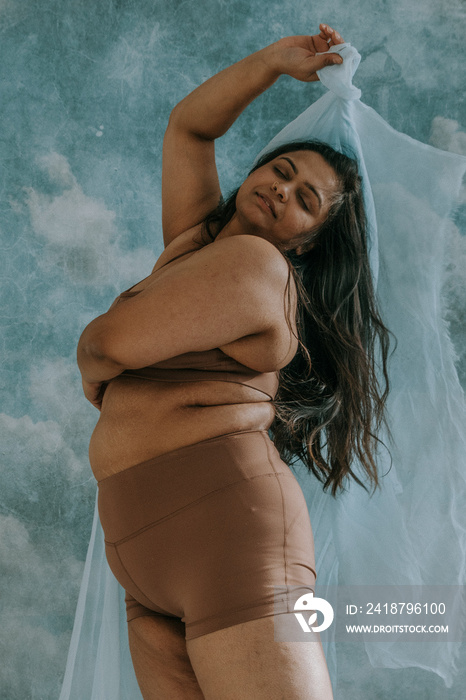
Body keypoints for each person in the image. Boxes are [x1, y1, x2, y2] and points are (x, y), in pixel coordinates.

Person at [74, 23, 446, 700]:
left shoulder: (257, 266)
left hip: (225, 537)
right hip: (147, 555)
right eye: (281, 170)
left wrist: (94, 366)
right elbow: (189, 128)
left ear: (306, 244)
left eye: (305, 200)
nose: (282, 191)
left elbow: (107, 344)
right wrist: (274, 63)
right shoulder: (195, 246)